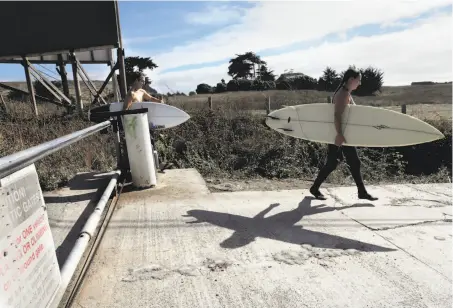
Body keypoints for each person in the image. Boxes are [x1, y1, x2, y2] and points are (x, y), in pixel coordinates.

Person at [309, 68, 378, 201]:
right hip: (340, 134)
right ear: (351, 80)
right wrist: (339, 134)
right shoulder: (342, 94)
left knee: (337, 162)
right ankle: (361, 192)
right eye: (358, 80)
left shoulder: (346, 92)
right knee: (350, 162)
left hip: (343, 133)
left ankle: (316, 187)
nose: (360, 83)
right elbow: (337, 116)